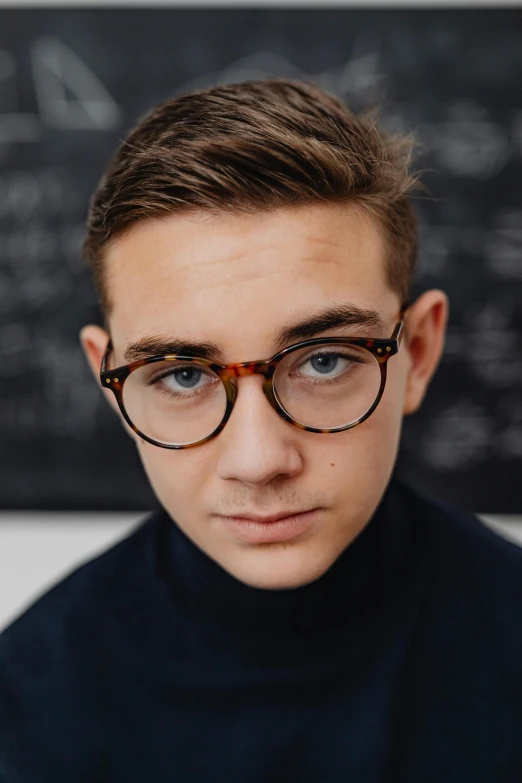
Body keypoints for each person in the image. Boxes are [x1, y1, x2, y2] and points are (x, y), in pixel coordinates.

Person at [0, 78, 521, 783]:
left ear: (419, 352)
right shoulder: (28, 696)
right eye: (182, 374)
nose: (258, 459)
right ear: (112, 384)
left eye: (326, 359)